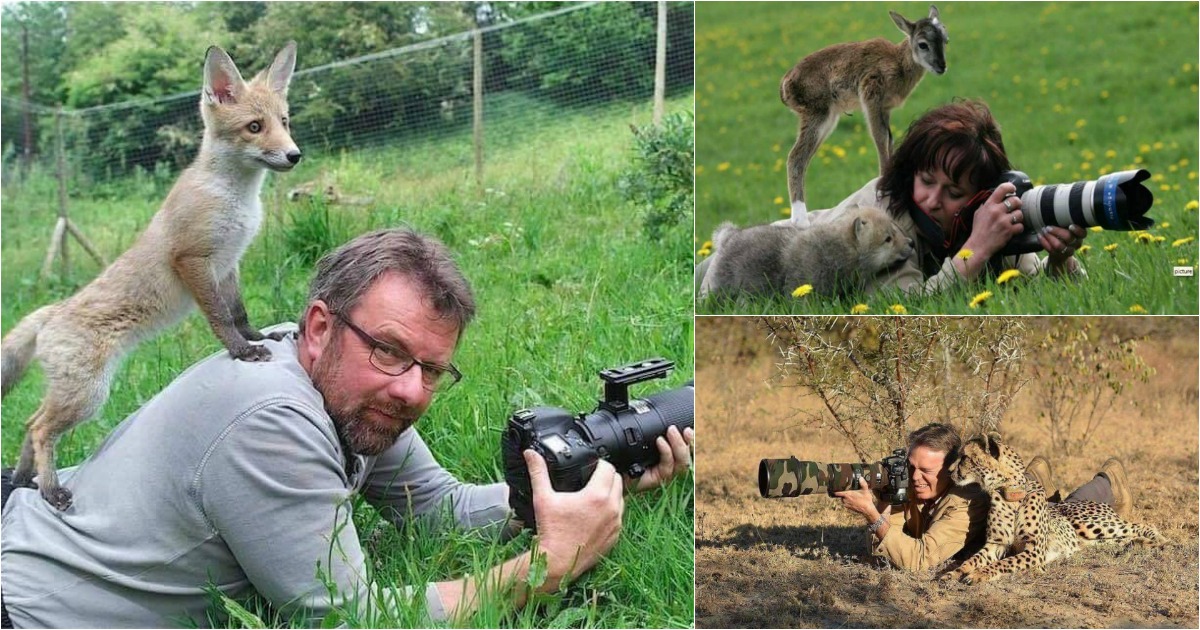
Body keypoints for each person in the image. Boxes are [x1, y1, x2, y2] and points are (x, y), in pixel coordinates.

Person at [0, 228, 694, 628]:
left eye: (432, 368)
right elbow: (351, 617)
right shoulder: (273, 416)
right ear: (321, 326)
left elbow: (440, 512)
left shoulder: (350, 392)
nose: (411, 389)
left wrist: (577, 491)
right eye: (389, 351)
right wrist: (546, 568)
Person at [697, 99, 1089, 297]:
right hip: (744, 260)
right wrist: (975, 252)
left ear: (981, 197)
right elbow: (910, 306)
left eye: (953, 192)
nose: (933, 200)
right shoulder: (883, 220)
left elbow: (1040, 286)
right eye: (925, 180)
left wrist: (1060, 260)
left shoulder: (988, 217)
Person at [834, 423, 1133, 572]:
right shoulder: (916, 481)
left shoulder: (966, 501)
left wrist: (873, 516)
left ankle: (1108, 482)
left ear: (951, 469)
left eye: (925, 471)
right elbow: (891, 544)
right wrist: (886, 498)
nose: (914, 478)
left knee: (1066, 510)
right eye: (910, 467)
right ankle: (1037, 477)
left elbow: (917, 559)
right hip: (1009, 489)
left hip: (1024, 509)